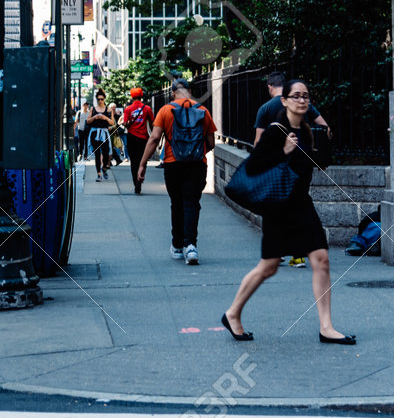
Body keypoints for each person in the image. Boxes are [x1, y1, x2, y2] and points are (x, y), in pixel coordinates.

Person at [221, 79, 355, 345]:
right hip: (278, 208)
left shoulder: (306, 131)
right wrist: (283, 152)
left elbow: (316, 166)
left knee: (321, 260)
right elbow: (255, 166)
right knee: (268, 266)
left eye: (306, 96)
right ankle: (233, 313)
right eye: (296, 96)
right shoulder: (275, 131)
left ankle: (326, 327)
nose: (302, 100)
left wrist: (323, 143)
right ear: (284, 100)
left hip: (301, 204)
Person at [254, 72, 331, 267]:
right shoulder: (305, 106)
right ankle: (298, 255)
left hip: (277, 166)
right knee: (299, 204)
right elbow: (325, 127)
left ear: (270, 87)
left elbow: (258, 141)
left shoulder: (265, 109)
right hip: (301, 166)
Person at [138, 79, 217, 264]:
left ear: (173, 93)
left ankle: (177, 245)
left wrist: (142, 164)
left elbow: (154, 138)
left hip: (173, 163)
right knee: (192, 203)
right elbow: (211, 141)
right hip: (197, 164)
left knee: (177, 203)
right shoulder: (203, 111)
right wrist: (197, 152)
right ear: (189, 91)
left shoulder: (166, 111)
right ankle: (191, 246)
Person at [121, 87, 154, 194]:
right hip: (143, 138)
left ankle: (136, 183)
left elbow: (125, 124)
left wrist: (128, 123)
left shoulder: (128, 109)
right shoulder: (147, 108)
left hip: (131, 138)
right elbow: (152, 122)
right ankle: (140, 179)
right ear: (141, 96)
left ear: (132, 96)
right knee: (142, 161)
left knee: (134, 162)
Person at [86, 91, 116, 181]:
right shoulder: (93, 109)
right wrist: (95, 117)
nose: (100, 101)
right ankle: (99, 174)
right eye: (98, 99)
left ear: (104, 99)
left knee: (106, 154)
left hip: (104, 132)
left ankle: (104, 169)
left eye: (101, 99)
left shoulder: (108, 110)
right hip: (95, 133)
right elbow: (88, 121)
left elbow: (112, 123)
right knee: (97, 154)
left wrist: (105, 118)